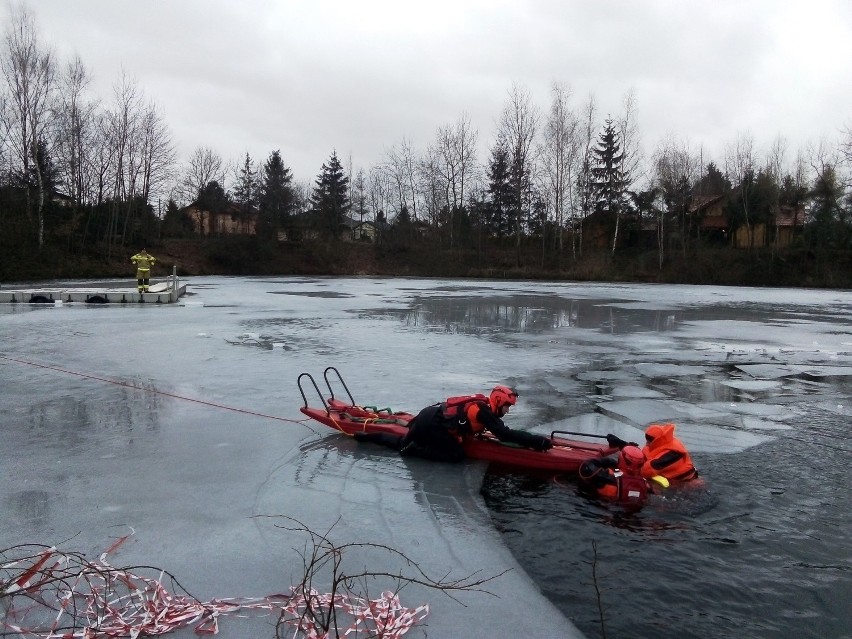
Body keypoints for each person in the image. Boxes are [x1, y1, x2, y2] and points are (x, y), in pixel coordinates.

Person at [354, 385, 553, 462]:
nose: (508, 410)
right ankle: (415, 449)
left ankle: (365, 437)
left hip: (428, 416)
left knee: (401, 440)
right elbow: (505, 434)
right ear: (499, 401)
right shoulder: (484, 411)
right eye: (507, 406)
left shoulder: (485, 406)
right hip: (430, 424)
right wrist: (538, 441)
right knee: (456, 454)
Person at [578, 445, 652, 508]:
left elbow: (586, 466)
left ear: (621, 459)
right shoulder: (646, 484)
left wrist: (606, 461)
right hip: (631, 514)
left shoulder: (608, 476)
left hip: (605, 509)